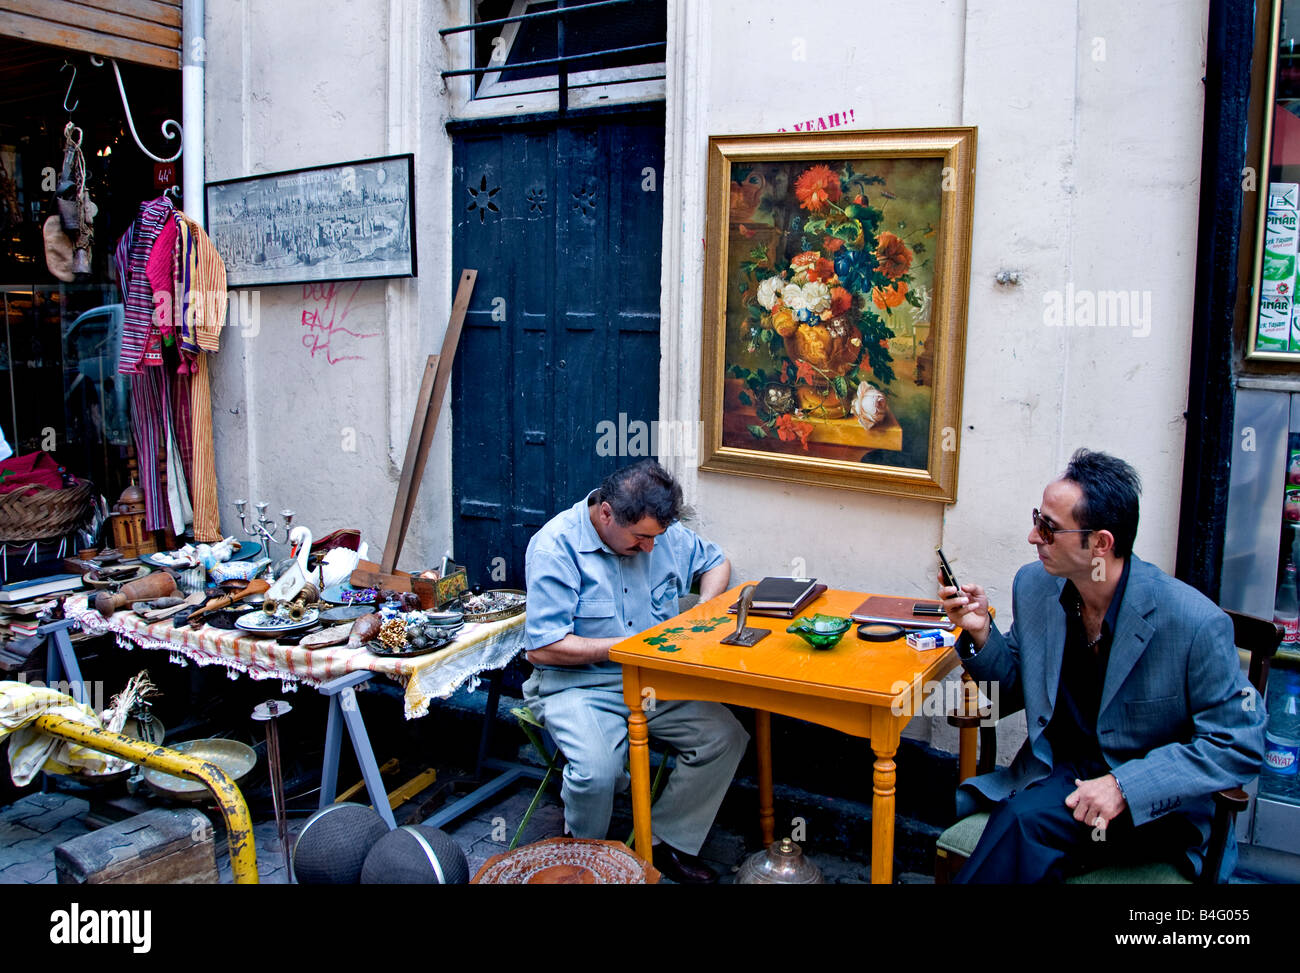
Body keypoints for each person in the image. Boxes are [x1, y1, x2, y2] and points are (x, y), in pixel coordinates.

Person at [938, 448, 1266, 883]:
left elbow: (1239, 742)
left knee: (1022, 824)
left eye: (1049, 528)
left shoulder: (1193, 623)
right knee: (1023, 826)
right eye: (1038, 519)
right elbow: (1013, 690)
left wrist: (1126, 787)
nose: (1033, 537)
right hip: (1059, 779)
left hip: (1151, 806)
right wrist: (981, 633)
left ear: (1101, 544)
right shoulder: (1037, 586)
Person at [523, 459, 749, 883]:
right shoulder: (556, 547)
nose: (650, 548)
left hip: (651, 681)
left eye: (656, 538)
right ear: (606, 513)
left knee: (724, 738)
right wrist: (626, 649)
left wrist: (701, 612)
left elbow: (716, 563)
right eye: (641, 538)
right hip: (578, 684)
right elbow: (543, 649)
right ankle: (584, 861)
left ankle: (666, 842)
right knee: (596, 772)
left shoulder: (660, 535)